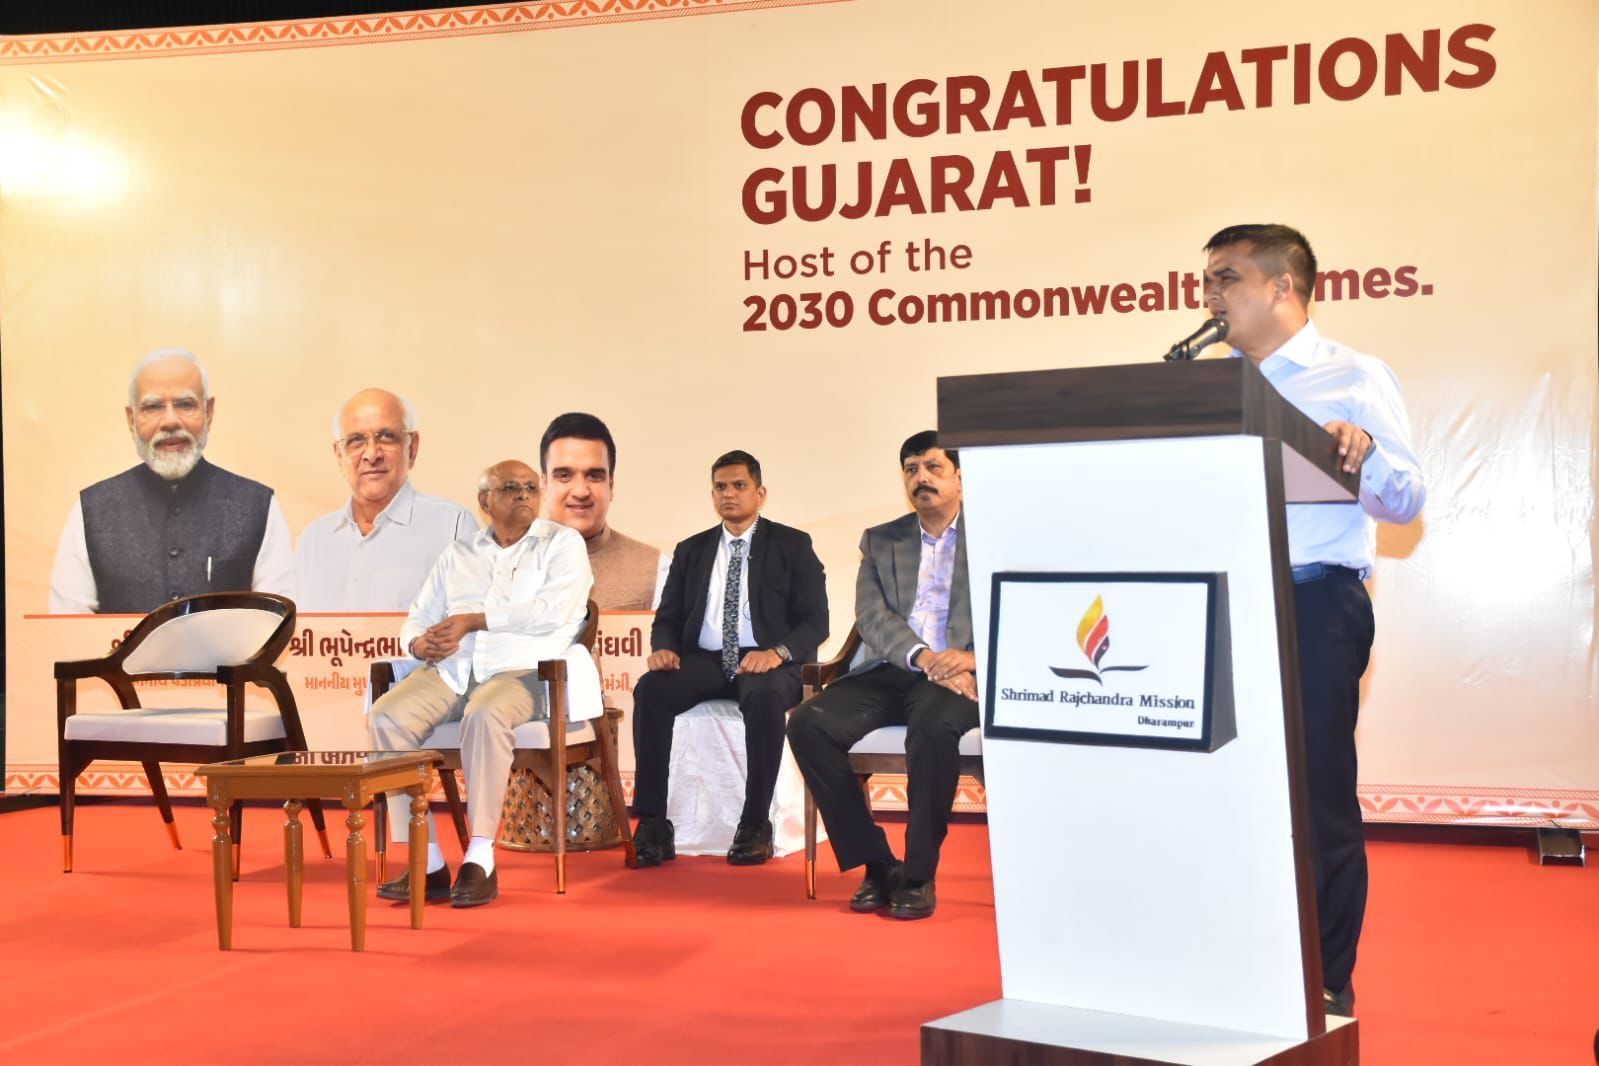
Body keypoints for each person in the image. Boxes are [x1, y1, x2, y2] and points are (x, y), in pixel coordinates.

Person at [1201, 223, 1425, 1016]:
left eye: (1225, 278)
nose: (1209, 294)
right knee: (1224, 787)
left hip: (1312, 601)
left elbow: (1405, 500)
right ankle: (1235, 951)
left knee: (1314, 793)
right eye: (1206, 280)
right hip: (1221, 604)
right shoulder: (1206, 384)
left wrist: (1364, 455)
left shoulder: (1352, 375)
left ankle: (1326, 975)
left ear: (1280, 287)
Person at [367, 460, 596, 908]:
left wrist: (475, 620)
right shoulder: (460, 552)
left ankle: (480, 856)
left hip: (522, 670)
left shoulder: (561, 543)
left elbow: (553, 611)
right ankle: (427, 861)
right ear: (484, 500)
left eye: (531, 487)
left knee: (485, 713)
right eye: (510, 487)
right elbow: (420, 613)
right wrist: (418, 643)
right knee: (386, 718)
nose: (524, 495)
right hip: (453, 670)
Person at [787, 431, 976, 920]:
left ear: (960, 477)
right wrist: (923, 657)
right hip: (893, 668)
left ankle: (918, 874)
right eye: (911, 469)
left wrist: (971, 661)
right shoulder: (882, 539)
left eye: (933, 467)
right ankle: (877, 863)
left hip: (960, 675)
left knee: (932, 728)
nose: (921, 478)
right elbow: (871, 617)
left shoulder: (995, 535)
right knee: (808, 723)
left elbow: (1016, 609)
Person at [631, 450, 828, 866]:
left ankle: (755, 823)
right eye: (720, 486)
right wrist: (663, 648)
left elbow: (816, 621)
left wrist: (776, 653)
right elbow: (668, 617)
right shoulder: (692, 549)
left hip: (770, 661)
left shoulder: (792, 544)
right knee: (651, 690)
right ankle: (653, 822)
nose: (729, 494)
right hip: (706, 659)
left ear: (760, 493)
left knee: (763, 697)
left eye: (739, 485)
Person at [49, 347, 292, 614]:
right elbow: (67, 628)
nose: (170, 421)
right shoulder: (90, 511)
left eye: (185, 404)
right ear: (131, 419)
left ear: (209, 412)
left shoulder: (259, 506)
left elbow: (278, 625)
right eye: (153, 407)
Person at [293, 388, 475, 612]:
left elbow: (475, 627)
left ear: (412, 448)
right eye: (356, 440)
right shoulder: (313, 540)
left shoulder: (454, 528)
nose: (372, 454)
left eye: (386, 437)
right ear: (339, 455)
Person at [539, 412, 666, 610]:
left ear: (611, 486)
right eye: (564, 475)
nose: (581, 491)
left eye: (594, 476)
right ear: (544, 485)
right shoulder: (502, 565)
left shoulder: (657, 570)